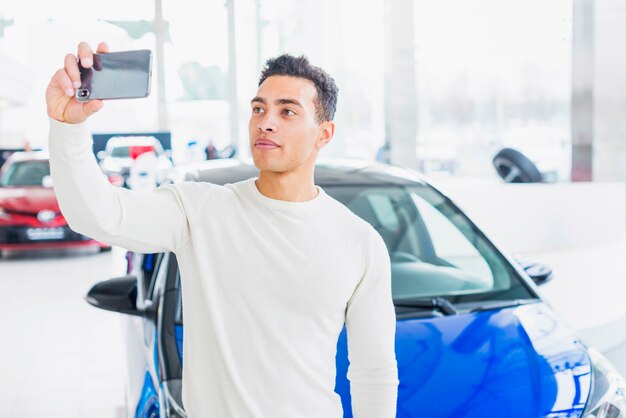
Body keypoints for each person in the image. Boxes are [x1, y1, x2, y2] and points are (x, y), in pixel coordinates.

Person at [46, 41, 398, 417]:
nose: (266, 121)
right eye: (259, 108)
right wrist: (68, 126)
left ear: (324, 134)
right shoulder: (201, 210)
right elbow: (97, 214)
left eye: (288, 111)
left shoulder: (358, 242)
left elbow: (373, 373)